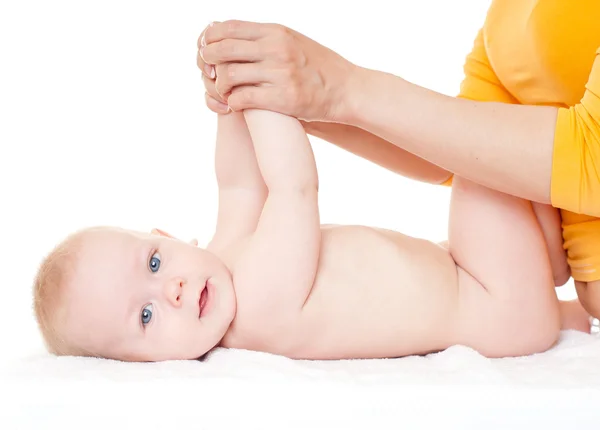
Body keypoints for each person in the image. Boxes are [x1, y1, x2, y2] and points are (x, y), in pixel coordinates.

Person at [33, 100, 587, 362]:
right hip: (490, 304)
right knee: (478, 156)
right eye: (146, 316)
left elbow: (240, 184)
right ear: (140, 368)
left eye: (153, 263)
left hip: (467, 272)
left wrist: (229, 93)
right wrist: (270, 93)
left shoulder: (227, 257)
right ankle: (555, 269)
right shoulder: (255, 311)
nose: (170, 290)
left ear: (166, 234)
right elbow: (293, 186)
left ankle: (560, 286)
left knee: (494, 156)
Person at [196, 1, 600, 319]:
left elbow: (590, 156)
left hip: (511, 309)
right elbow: (467, 151)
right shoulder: (513, 15)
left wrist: (341, 88)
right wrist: (289, 99)